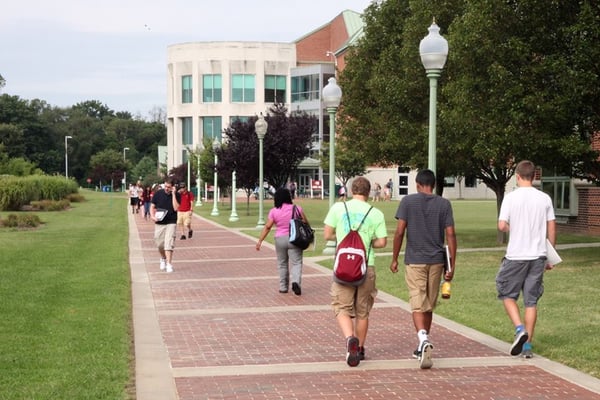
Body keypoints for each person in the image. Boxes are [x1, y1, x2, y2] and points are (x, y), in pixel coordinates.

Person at [389, 169, 456, 369]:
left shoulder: (408, 202)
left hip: (415, 259)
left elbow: (400, 232)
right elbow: (451, 235)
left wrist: (394, 258)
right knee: (428, 304)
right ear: (433, 185)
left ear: (417, 184)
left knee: (417, 302)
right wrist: (451, 263)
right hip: (437, 261)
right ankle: (422, 344)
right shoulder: (444, 204)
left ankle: (422, 338)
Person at [324, 177, 387, 367]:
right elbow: (382, 242)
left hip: (343, 265)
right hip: (366, 265)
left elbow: (327, 234)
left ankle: (349, 338)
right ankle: (359, 348)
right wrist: (367, 243)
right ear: (368, 193)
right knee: (363, 311)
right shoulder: (375, 213)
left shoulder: (338, 208)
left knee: (341, 306)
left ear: (352, 191)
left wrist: (343, 237)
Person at [496, 160, 556, 359]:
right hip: (538, 255)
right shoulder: (544, 198)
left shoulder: (511, 198)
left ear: (518, 176)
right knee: (531, 301)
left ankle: (520, 329)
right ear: (534, 176)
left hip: (516, 255)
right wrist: (550, 255)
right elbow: (551, 227)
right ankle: (528, 347)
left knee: (506, 293)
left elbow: (502, 225)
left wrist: (511, 228)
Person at [256, 187, 310, 296]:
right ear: (289, 197)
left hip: (280, 239)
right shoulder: (297, 208)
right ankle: (296, 282)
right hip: (295, 238)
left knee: (282, 263)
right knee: (296, 262)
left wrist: (260, 240)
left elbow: (268, 227)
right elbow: (305, 222)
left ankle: (283, 287)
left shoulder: (274, 211)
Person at [150, 178, 180, 273]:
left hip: (171, 221)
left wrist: (174, 194)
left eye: (169, 187)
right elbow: (152, 206)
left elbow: (176, 208)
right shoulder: (158, 193)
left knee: (169, 243)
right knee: (159, 244)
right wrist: (152, 216)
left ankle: (169, 264)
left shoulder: (177, 195)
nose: (167, 188)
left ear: (173, 187)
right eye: (165, 186)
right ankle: (163, 258)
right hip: (160, 222)